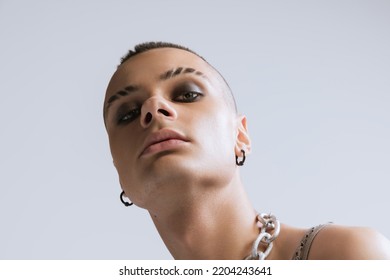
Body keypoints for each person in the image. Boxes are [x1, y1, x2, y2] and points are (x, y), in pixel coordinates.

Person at [103, 41, 390, 260]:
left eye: (187, 94)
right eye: (127, 113)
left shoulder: (345, 256)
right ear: (119, 172)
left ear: (240, 135)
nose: (153, 108)